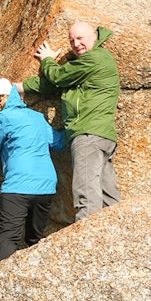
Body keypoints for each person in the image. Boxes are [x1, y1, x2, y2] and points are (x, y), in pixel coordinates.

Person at [17, 22, 120, 221]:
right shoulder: (89, 64)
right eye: (72, 40)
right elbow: (57, 84)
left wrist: (47, 60)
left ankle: (88, 240)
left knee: (86, 192)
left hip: (88, 133)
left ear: (93, 36)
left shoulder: (95, 58)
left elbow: (58, 76)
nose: (76, 44)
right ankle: (119, 238)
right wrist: (22, 87)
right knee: (108, 197)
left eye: (80, 38)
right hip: (102, 134)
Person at [0, 78, 66, 260]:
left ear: (9, 96)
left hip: (17, 186)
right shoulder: (37, 117)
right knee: (35, 238)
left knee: (9, 238)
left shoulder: (4, 118)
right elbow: (58, 142)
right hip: (46, 186)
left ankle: (1, 283)